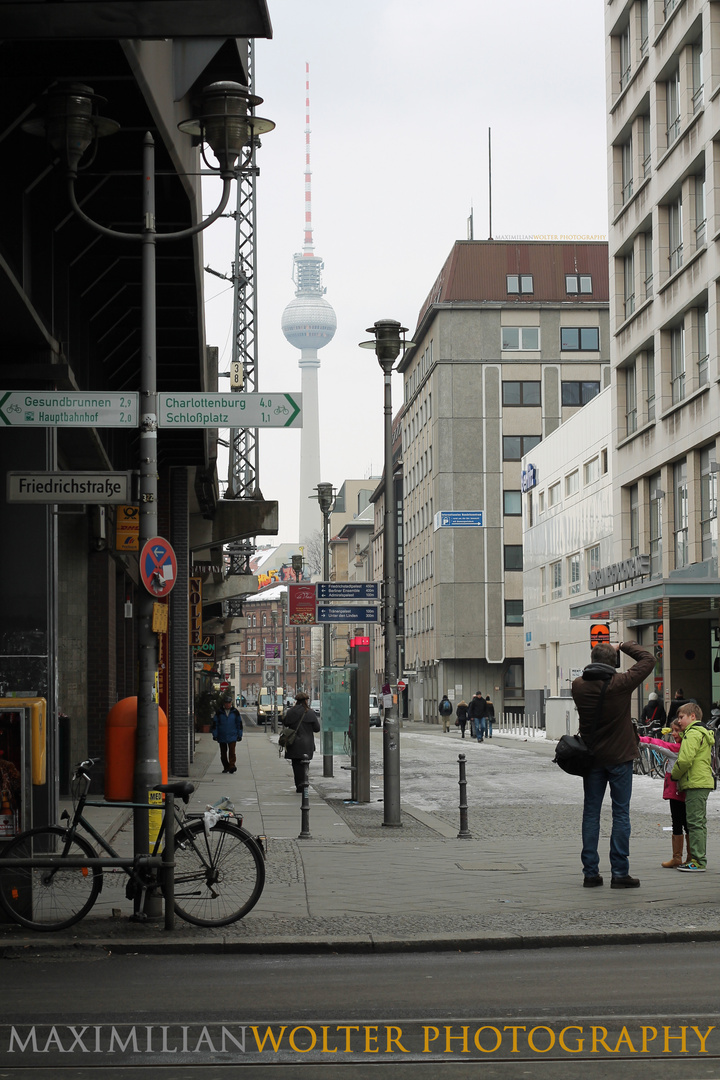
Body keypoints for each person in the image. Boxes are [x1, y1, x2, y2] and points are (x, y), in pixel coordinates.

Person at [571, 640, 655, 889]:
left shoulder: (578, 685)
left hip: (592, 758)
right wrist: (624, 645)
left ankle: (590, 873)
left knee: (591, 813)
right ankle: (619, 873)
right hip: (619, 758)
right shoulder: (620, 684)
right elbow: (648, 660)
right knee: (620, 813)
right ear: (613, 662)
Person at [670, 703, 714, 872]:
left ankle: (697, 860)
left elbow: (686, 759)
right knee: (699, 822)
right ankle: (698, 858)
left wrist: (675, 774)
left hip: (696, 782)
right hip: (701, 781)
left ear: (692, 717)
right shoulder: (700, 732)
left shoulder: (693, 733)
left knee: (695, 822)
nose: (679, 721)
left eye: (682, 717)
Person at [639, 720, 688, 867]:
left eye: (676, 730)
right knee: (685, 823)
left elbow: (658, 745)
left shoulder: (676, 749)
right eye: (672, 730)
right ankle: (687, 857)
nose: (673, 734)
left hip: (676, 791)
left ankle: (677, 857)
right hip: (684, 791)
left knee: (679, 822)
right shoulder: (687, 747)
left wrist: (639, 739)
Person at [282, 691, 321, 792]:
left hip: (293, 742)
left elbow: (285, 722)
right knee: (305, 765)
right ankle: (304, 784)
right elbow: (317, 728)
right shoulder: (310, 712)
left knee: (296, 765)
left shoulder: (291, 712)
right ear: (306, 701)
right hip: (306, 743)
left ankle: (298, 785)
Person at [210, 694, 244, 774]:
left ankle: (232, 766)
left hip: (232, 735)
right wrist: (215, 734)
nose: (228, 704)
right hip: (222, 735)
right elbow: (215, 724)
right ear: (224, 703)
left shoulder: (235, 712)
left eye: (229, 703)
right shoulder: (219, 712)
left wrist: (239, 735)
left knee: (232, 752)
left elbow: (239, 724)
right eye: (226, 703)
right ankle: (226, 766)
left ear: (231, 703)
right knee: (223, 753)